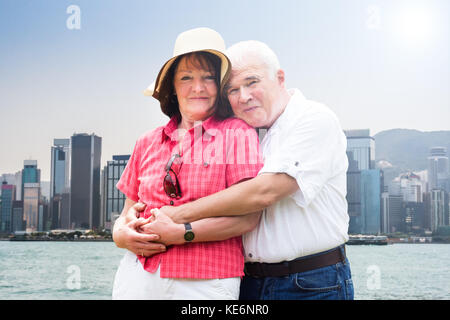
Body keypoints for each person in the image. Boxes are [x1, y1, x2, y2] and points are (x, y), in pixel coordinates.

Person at [130, 40, 354, 300]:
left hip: (309, 281)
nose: (244, 96)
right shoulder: (247, 132)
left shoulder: (313, 118)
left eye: (252, 82)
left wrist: (177, 217)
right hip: (248, 282)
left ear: (280, 78)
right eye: (233, 90)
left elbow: (264, 192)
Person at [112, 28, 263, 300]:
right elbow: (126, 213)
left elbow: (249, 216)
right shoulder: (146, 141)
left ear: (220, 85)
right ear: (172, 87)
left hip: (206, 279)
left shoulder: (238, 133)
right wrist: (119, 235)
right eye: (186, 78)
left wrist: (182, 234)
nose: (198, 87)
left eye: (208, 77)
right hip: (137, 273)